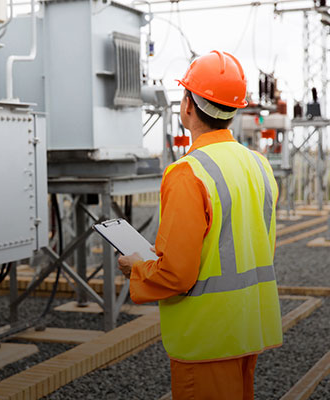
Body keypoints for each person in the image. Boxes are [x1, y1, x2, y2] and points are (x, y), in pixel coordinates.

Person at [118, 50, 282, 400]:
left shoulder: (187, 173)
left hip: (207, 337)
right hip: (248, 327)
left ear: (188, 105)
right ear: (234, 110)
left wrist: (137, 266)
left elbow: (177, 274)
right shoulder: (259, 165)